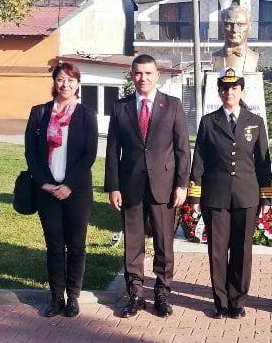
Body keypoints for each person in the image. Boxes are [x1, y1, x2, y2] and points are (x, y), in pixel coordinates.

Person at [105, 54, 190, 318]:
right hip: (130, 186)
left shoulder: (173, 105)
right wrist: (113, 186)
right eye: (138, 73)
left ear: (157, 75)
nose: (143, 78)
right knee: (133, 243)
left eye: (148, 73)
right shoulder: (120, 107)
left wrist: (182, 185)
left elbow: (182, 149)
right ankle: (135, 294)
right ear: (132, 75)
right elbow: (112, 150)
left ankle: (162, 293)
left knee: (164, 242)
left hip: (164, 187)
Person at [188, 67, 272, 319]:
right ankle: (221, 302)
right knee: (217, 250)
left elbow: (263, 162)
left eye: (234, 88)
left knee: (242, 250)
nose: (229, 92)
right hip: (215, 196)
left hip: (247, 196)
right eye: (225, 88)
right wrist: (195, 196)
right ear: (219, 92)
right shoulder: (208, 122)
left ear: (241, 91)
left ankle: (237, 301)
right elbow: (199, 160)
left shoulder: (255, 122)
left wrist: (266, 196)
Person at [24, 62, 98, 318]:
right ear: (54, 83)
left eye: (70, 80)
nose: (65, 84)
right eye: (60, 79)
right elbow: (31, 152)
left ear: (77, 85)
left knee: (76, 246)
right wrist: (43, 182)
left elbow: (89, 155)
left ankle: (73, 297)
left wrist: (68, 185)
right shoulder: (39, 113)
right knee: (54, 246)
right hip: (47, 191)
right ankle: (56, 297)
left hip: (76, 191)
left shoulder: (86, 115)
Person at [212, 5, 259, 73]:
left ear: (250, 27)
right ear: (222, 26)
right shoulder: (213, 57)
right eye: (229, 24)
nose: (234, 30)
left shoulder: (255, 57)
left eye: (241, 24)